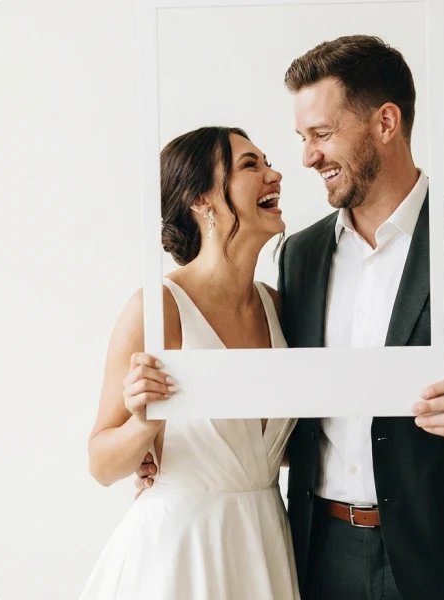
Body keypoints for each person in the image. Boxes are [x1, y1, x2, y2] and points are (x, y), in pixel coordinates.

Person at [136, 35, 444, 600]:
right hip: (318, 555)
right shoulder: (300, 254)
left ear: (385, 123)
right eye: (301, 138)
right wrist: (174, 456)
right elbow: (284, 397)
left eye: (321, 134)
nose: (307, 157)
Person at [81, 126, 299, 600]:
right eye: (250, 165)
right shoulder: (157, 309)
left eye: (267, 162)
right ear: (202, 199)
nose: (274, 174)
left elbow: (265, 448)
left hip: (264, 541)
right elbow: (100, 463)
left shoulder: (277, 308)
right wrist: (143, 426)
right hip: (180, 552)